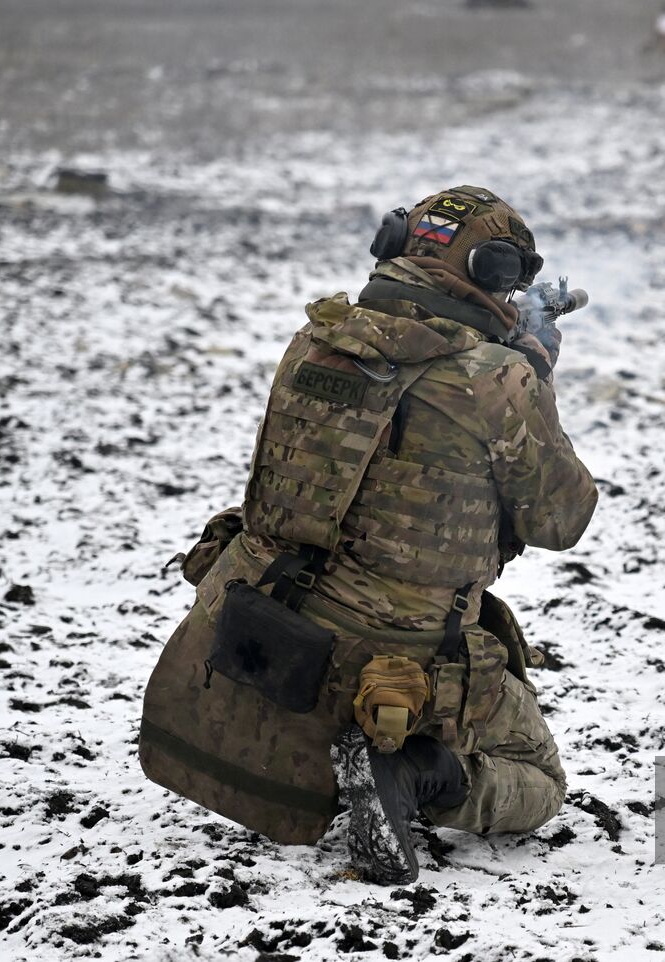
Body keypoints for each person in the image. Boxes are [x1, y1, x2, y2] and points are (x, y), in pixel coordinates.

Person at [138, 185, 597, 885]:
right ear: (495, 274)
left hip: (250, 628)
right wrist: (532, 373)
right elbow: (563, 519)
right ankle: (412, 768)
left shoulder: (315, 339)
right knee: (539, 783)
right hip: (386, 666)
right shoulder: (498, 380)